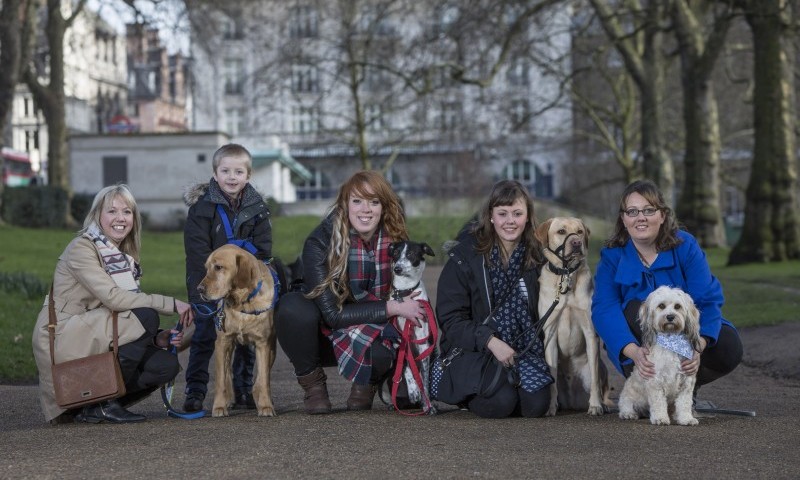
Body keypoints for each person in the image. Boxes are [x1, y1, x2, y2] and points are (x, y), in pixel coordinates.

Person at [32, 184, 194, 425]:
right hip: (64, 335)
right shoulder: (82, 248)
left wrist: (154, 339)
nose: (121, 218)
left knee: (166, 365)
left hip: (93, 333)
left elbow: (118, 317)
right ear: (97, 215)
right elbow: (114, 299)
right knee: (146, 315)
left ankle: (94, 404)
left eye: (127, 212)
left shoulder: (120, 256)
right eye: (112, 211)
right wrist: (171, 303)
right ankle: (101, 404)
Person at [275, 170, 426, 414]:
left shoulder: (396, 241)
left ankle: (366, 384)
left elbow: (407, 293)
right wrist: (393, 307)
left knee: (389, 345)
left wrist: (404, 303)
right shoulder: (320, 242)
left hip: (372, 329)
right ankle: (314, 386)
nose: (365, 210)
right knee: (291, 308)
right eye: (357, 201)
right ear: (345, 205)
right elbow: (333, 316)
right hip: (325, 329)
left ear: (383, 207)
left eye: (374, 202)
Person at [592, 179, 743, 397]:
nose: (640, 218)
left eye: (648, 210)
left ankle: (685, 388)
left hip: (686, 335)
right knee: (636, 309)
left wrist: (698, 346)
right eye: (632, 211)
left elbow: (707, 299)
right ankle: (648, 388)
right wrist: (633, 352)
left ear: (662, 215)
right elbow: (604, 308)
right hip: (640, 340)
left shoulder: (686, 245)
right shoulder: (612, 256)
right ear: (623, 219)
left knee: (728, 345)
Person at [435, 180, 553, 418]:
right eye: (503, 213)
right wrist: (489, 340)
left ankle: (504, 385)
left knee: (536, 407)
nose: (510, 221)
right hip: (475, 349)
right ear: (491, 216)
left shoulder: (538, 258)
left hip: (523, 349)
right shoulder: (465, 256)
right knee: (500, 404)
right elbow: (450, 319)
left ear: (528, 216)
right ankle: (466, 395)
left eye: (517, 213)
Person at [182, 143, 272, 412]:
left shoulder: (257, 209)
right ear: (215, 173)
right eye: (225, 171)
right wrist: (220, 270)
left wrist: (238, 261)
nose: (232, 177)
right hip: (208, 281)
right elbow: (198, 249)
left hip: (242, 286)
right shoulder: (202, 208)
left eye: (238, 171)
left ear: (248, 175)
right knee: (205, 336)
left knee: (243, 338)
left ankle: (243, 389)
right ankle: (195, 390)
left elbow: (264, 248)